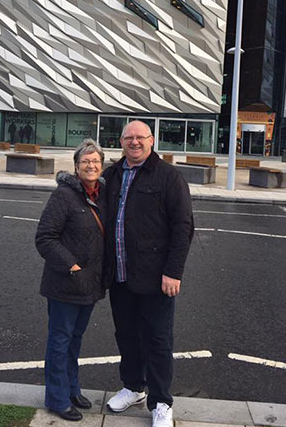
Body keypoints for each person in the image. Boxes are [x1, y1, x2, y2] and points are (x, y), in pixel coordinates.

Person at [103, 121, 194, 427]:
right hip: (120, 275)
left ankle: (161, 402)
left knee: (157, 340)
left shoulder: (169, 176)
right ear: (121, 141)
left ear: (152, 140)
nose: (135, 142)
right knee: (127, 336)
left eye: (141, 137)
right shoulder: (112, 175)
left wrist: (173, 271)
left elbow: (183, 227)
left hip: (156, 278)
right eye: (129, 137)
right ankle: (133, 386)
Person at [35, 139, 106, 422]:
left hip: (90, 285)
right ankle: (57, 398)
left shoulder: (102, 194)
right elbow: (44, 238)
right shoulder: (64, 195)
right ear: (76, 167)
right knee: (60, 341)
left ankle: (72, 389)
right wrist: (72, 267)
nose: (91, 166)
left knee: (75, 340)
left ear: (102, 166)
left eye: (95, 161)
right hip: (66, 284)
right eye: (85, 161)